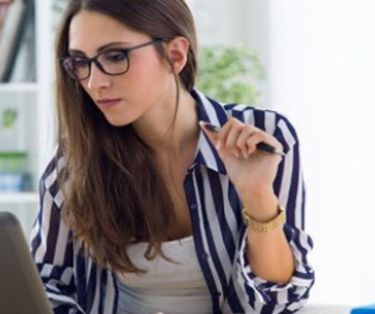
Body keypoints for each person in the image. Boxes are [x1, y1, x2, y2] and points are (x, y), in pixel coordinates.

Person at [29, 0, 314, 313]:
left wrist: (257, 195)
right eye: (80, 63)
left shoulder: (264, 137)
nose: (95, 82)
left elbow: (281, 303)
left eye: (115, 56)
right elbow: (45, 285)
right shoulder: (75, 163)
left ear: (176, 55)